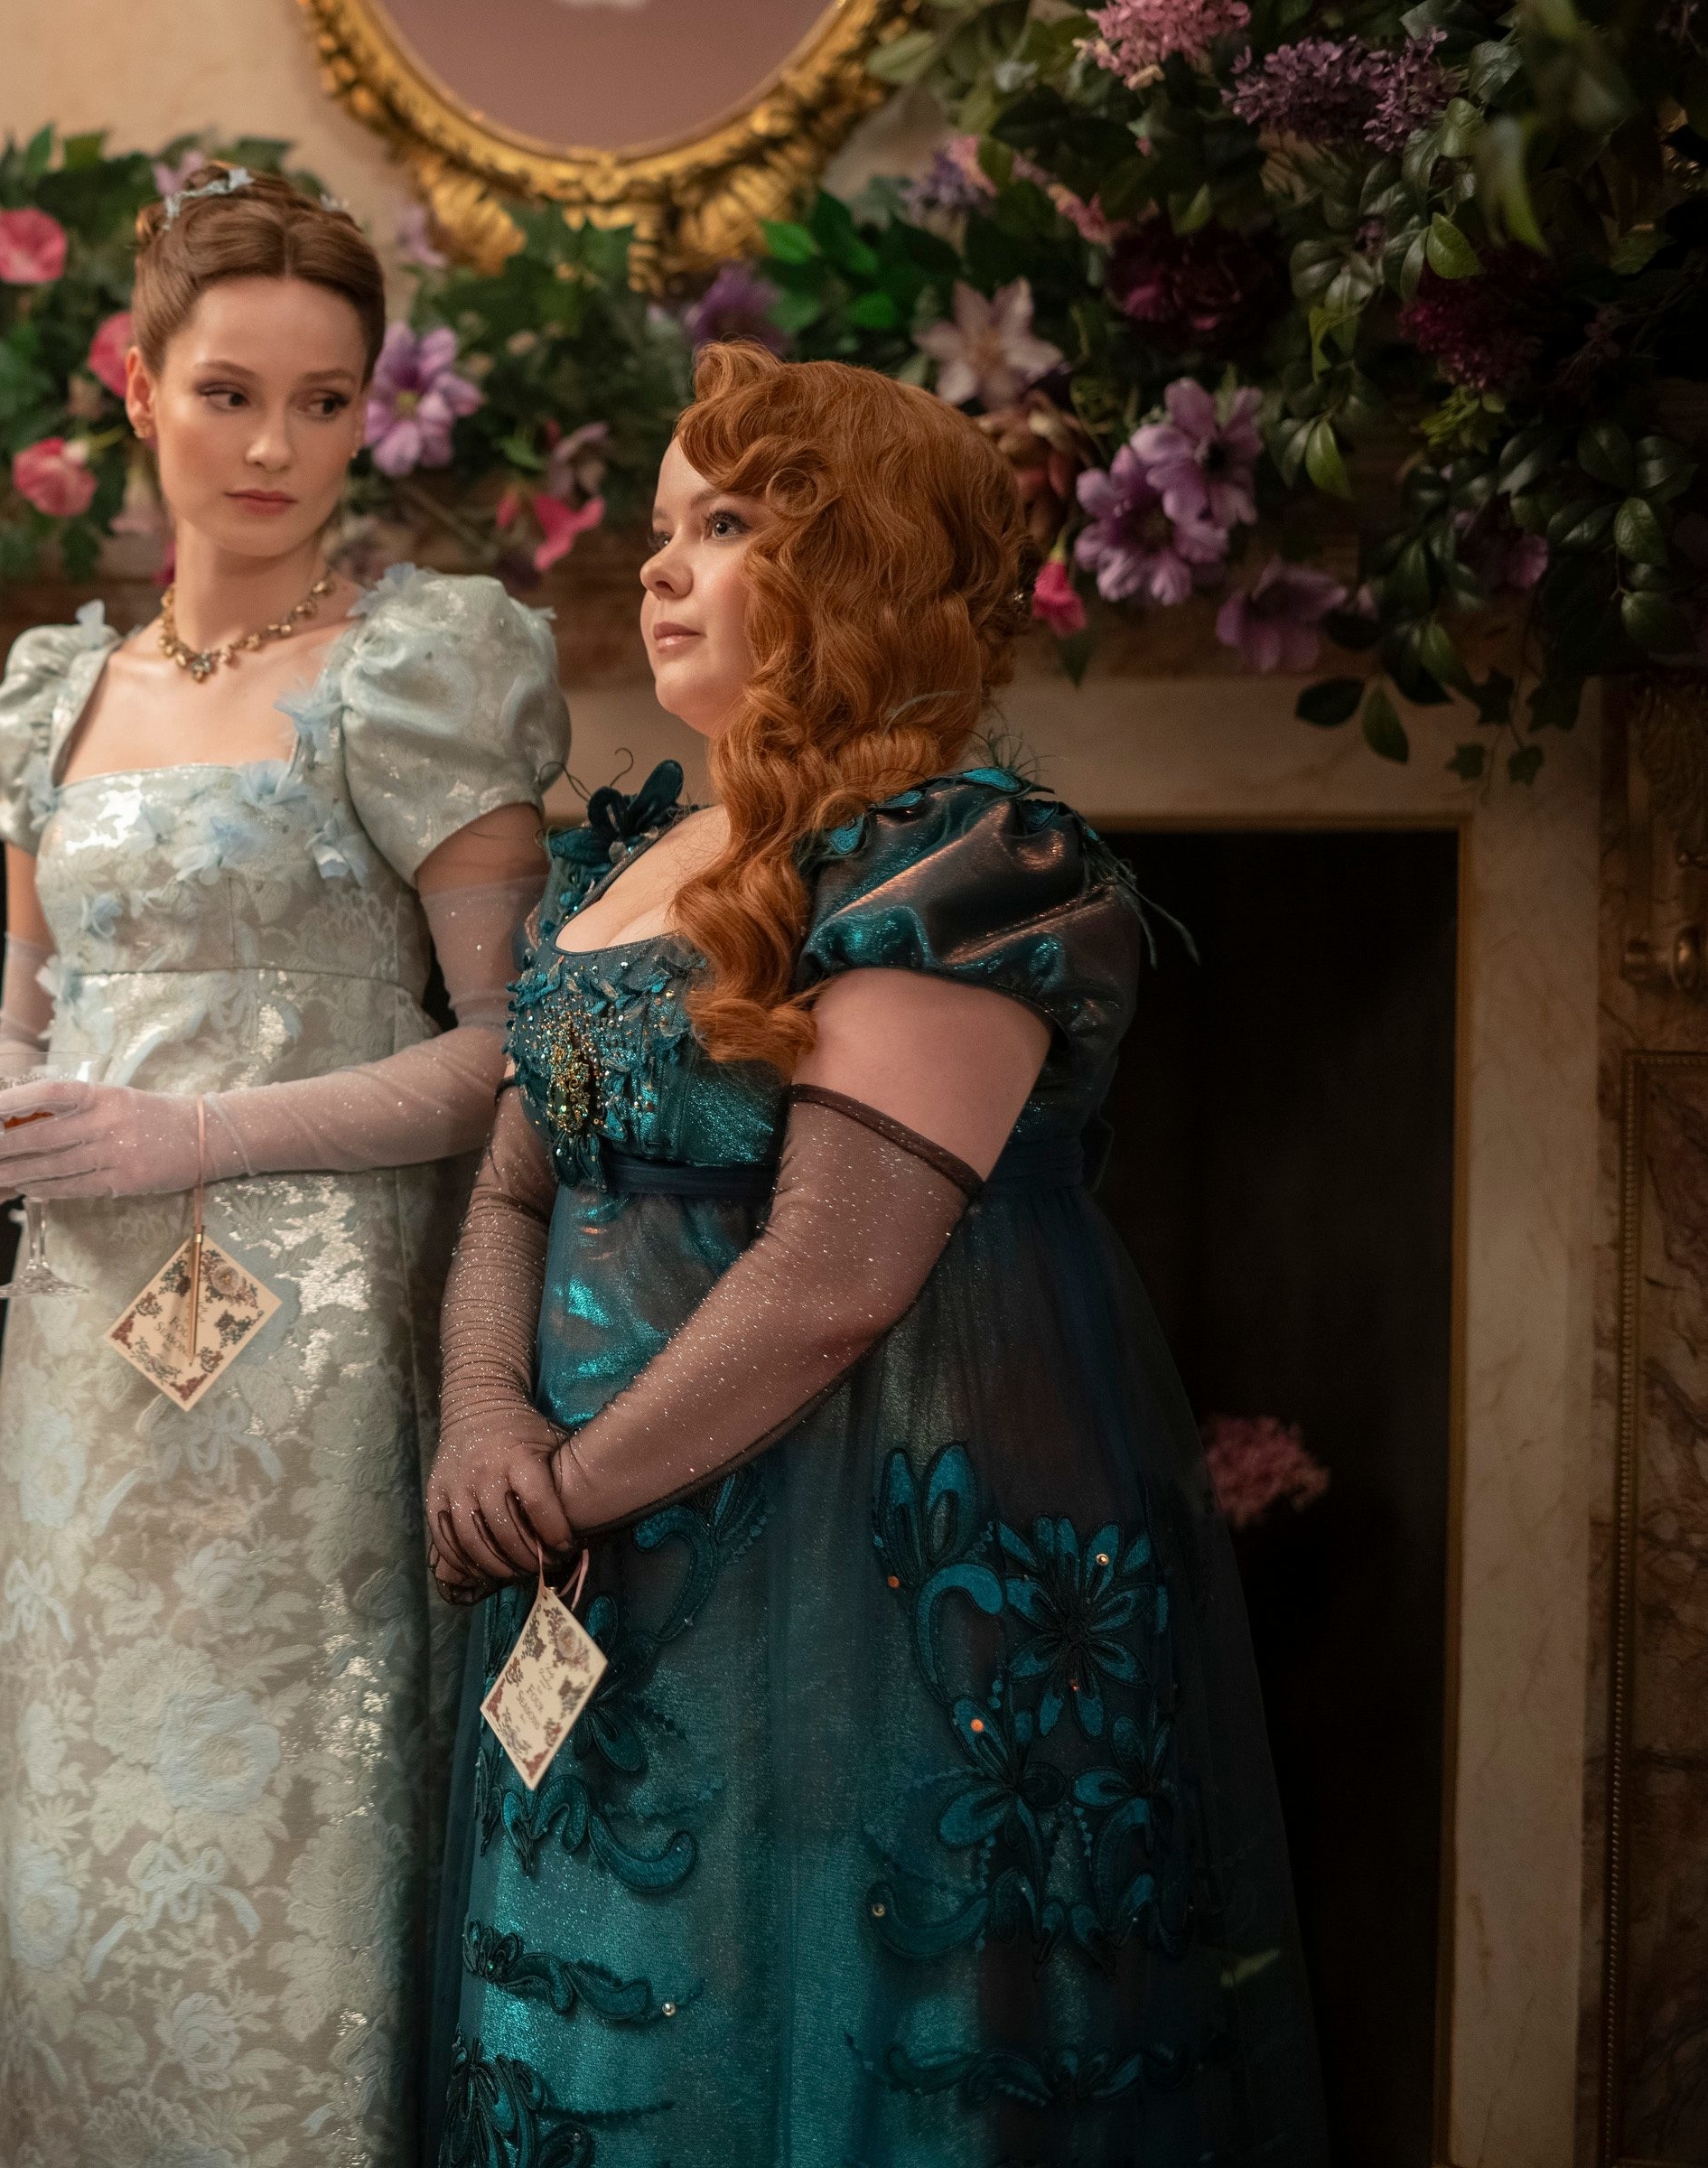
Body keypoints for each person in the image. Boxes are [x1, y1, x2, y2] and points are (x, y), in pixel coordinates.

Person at [424, 343, 1326, 2163]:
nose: (660, 565)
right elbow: (514, 1192)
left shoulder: (962, 864)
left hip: (850, 1562)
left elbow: (834, 1280)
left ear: (863, 565)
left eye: (726, 525)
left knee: (828, 2006)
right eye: (663, 525)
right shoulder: (621, 863)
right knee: (604, 2003)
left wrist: (566, 1490)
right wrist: (479, 1416)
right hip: (588, 1533)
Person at [0, 164, 568, 2167]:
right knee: (70, 1841)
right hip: (82, 1387)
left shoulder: (417, 665)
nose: (277, 446)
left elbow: (512, 1053)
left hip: (315, 1383)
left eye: (324, 400)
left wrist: (190, 1133)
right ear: (137, 388)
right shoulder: (57, 695)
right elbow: (30, 1024)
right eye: (228, 394)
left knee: (282, 1860)